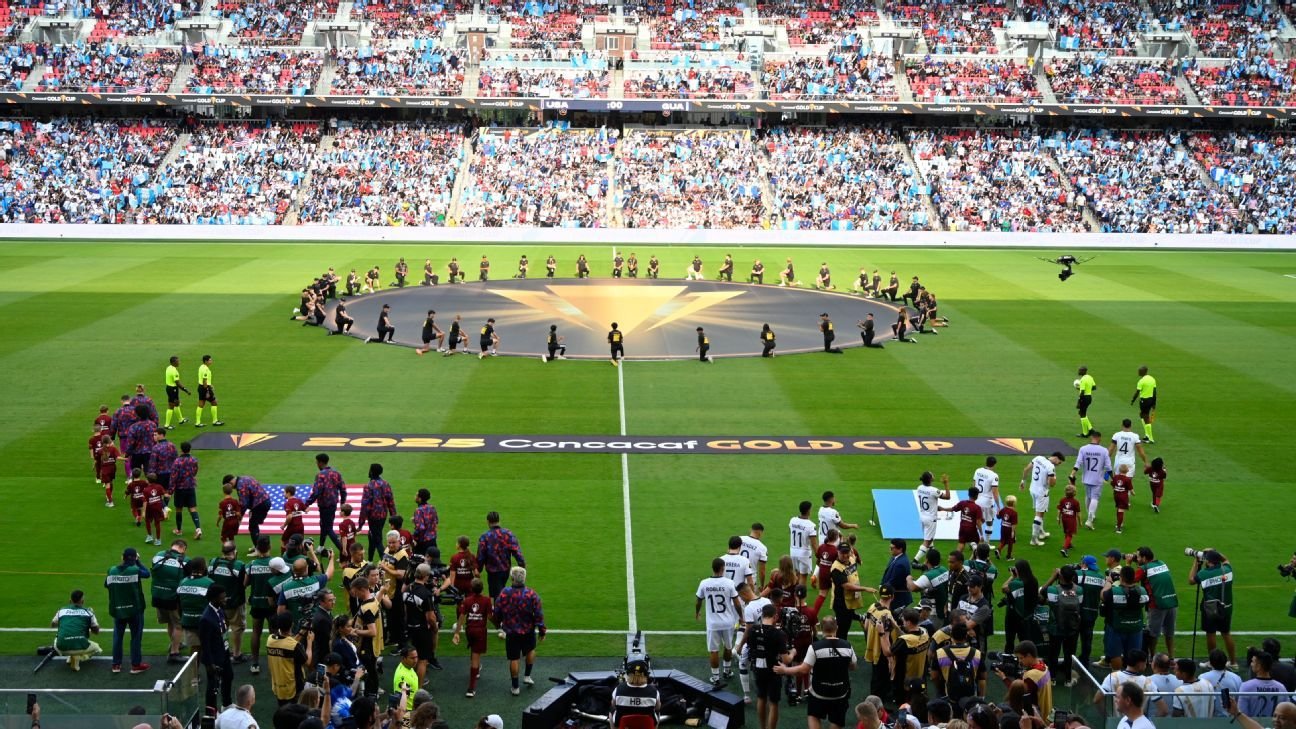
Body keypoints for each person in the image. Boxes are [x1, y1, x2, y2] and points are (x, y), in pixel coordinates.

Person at [775, 616, 856, 729]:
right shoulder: (847, 646)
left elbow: (803, 670)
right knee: (837, 721)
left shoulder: (815, 647)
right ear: (837, 628)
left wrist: (785, 670)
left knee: (814, 716)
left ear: (821, 629)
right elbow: (853, 666)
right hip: (840, 692)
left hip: (819, 692)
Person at [495, 566, 546, 696]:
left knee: (514, 658)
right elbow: (539, 614)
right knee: (530, 650)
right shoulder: (531, 594)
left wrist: (500, 623)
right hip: (528, 630)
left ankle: (515, 687)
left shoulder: (505, 593)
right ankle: (527, 676)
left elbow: (497, 611)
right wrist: (542, 630)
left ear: (512, 578)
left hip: (511, 631)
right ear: (524, 578)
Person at [746, 603, 793, 729]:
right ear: (775, 616)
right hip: (774, 670)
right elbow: (786, 660)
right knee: (773, 703)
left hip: (758, 669)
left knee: (761, 698)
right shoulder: (779, 634)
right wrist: (793, 653)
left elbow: (750, 647)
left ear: (762, 615)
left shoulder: (752, 630)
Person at [247, 544, 290, 676]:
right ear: (270, 547)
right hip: (272, 607)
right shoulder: (277, 567)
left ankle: (255, 663)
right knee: (275, 633)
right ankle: (276, 662)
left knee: (256, 632)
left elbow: (245, 583)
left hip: (257, 603)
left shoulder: (252, 565)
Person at [1189, 549, 1237, 668]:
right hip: (1226, 607)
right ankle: (1233, 662)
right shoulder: (1227, 569)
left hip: (1211, 608)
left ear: (1209, 561)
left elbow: (1191, 580)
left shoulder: (1204, 574)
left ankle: (1213, 662)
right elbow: (1225, 559)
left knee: (1211, 634)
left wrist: (1195, 562)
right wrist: (1214, 551)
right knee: (1226, 633)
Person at [1131, 547, 1178, 658]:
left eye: (1138, 556)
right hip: (1171, 602)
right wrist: (1138, 562)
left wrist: (1128, 563)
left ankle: (1152, 659)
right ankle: (1171, 658)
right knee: (1169, 634)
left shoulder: (1143, 569)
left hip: (1156, 605)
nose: (1136, 558)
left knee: (1152, 635)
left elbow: (1129, 580)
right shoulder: (1161, 563)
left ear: (1144, 558)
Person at [453, 577, 493, 698]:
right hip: (480, 631)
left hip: (469, 630)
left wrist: (457, 632)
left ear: (471, 588)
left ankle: (477, 671)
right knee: (475, 656)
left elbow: (461, 616)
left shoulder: (467, 600)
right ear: (482, 588)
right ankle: (471, 688)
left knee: (474, 650)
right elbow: (490, 616)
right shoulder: (486, 600)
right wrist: (499, 625)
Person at [1103, 566, 1149, 670]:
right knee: (1134, 655)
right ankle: (1132, 676)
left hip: (1117, 627)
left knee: (1115, 654)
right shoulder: (1142, 591)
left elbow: (1103, 595)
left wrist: (1108, 582)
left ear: (1121, 577)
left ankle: (1118, 675)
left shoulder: (1115, 591)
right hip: (1135, 627)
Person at [1043, 565, 1082, 686]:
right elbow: (1079, 604)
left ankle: (1052, 678)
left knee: (1053, 654)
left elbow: (1043, 592)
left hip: (1056, 627)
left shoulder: (1053, 589)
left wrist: (1053, 577)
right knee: (1069, 654)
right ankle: (1068, 679)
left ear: (1060, 576)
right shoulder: (1079, 590)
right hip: (1072, 627)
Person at [405, 563, 441, 686]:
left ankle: (408, 683)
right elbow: (430, 617)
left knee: (410, 658)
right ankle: (418, 689)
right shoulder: (425, 594)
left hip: (408, 628)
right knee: (422, 660)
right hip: (421, 629)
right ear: (426, 576)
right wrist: (435, 628)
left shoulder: (407, 589)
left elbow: (405, 610)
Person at [476, 511, 525, 601]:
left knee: (497, 596)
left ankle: (500, 608)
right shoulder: (508, 534)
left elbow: (481, 555)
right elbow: (516, 550)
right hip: (505, 569)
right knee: (500, 591)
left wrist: (478, 569)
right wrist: (521, 565)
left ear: (488, 521)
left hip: (493, 571)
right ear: (499, 520)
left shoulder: (485, 536)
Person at [201, 584, 234, 714]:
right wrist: (210, 664)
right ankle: (211, 713)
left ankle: (226, 704)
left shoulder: (219, 610)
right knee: (213, 686)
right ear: (214, 599)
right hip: (214, 658)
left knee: (228, 676)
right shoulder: (206, 618)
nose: (225, 599)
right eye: (222, 598)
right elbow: (205, 644)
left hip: (224, 652)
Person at [1020, 452, 1065, 547]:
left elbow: (1026, 469)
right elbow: (1051, 484)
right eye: (1059, 462)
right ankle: (1034, 539)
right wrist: (1054, 478)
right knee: (1039, 515)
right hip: (1042, 493)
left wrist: (1023, 481)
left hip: (1032, 489)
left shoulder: (1038, 457)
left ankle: (1041, 532)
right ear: (1056, 458)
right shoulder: (1050, 467)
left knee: (1039, 511)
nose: (1059, 464)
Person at [266, 613, 310, 707]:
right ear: (292, 624)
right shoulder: (294, 646)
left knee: (283, 710)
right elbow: (307, 662)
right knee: (296, 711)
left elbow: (285, 643)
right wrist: (309, 643)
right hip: (294, 686)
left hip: (278, 686)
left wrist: (301, 632)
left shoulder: (270, 640)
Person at [935, 621, 985, 702]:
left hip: (949, 697)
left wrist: (940, 688)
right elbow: (982, 678)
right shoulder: (977, 653)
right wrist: (982, 697)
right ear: (966, 636)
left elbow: (934, 676)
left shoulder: (940, 653)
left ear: (951, 635)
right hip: (970, 699)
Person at [1070, 430, 1110, 530]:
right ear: (1099, 438)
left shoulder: (1083, 449)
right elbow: (1108, 467)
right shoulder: (1104, 450)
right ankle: (1089, 519)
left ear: (1091, 437)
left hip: (1086, 478)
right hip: (1097, 478)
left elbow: (1078, 463)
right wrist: (1113, 478)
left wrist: (1072, 474)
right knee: (1095, 498)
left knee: (1088, 496)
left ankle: (1090, 515)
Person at [52, 589, 102, 671]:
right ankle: (79, 657)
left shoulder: (61, 611)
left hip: (61, 647)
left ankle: (72, 657)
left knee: (59, 638)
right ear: (83, 601)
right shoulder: (88, 612)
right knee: (97, 649)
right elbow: (96, 632)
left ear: (70, 601)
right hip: (81, 645)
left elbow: (53, 625)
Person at [358, 464, 396, 562]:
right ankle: (370, 561)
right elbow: (390, 501)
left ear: (371, 472)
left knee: (377, 540)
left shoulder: (368, 486)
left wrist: (361, 523)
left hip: (373, 517)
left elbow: (365, 506)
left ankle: (386, 562)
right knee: (372, 536)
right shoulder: (385, 484)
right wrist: (394, 517)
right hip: (383, 515)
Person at [1002, 561, 1040, 654]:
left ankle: (1009, 659)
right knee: (1025, 642)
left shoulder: (1016, 583)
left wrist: (1012, 577)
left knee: (1010, 641)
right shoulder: (1033, 580)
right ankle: (1026, 659)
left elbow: (1004, 588)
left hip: (1013, 616)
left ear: (1018, 570)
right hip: (1027, 616)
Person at [914, 471, 951, 565]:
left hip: (923, 516)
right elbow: (947, 497)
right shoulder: (934, 490)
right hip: (931, 518)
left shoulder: (919, 488)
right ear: (930, 479)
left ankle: (933, 556)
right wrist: (946, 483)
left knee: (929, 538)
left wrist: (935, 507)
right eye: (932, 475)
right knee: (927, 541)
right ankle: (915, 560)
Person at [612, 658, 661, 727]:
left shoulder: (618, 689)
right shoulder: (654, 691)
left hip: (624, 724)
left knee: (611, 711)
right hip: (647, 725)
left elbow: (613, 706)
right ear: (646, 675)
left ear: (628, 674)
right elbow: (657, 708)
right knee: (658, 712)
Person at [1239, 651, 1289, 717]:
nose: (1251, 664)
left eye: (1253, 662)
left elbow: (1242, 714)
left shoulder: (1246, 687)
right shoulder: (1281, 687)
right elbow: (1286, 711)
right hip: (1275, 723)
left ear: (1259, 666)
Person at [908, 549, 949, 625]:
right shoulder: (944, 570)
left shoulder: (929, 576)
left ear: (926, 560)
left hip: (933, 613)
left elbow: (912, 587)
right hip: (943, 609)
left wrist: (909, 579)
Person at [939, 489, 984, 554]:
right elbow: (978, 522)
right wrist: (981, 534)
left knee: (961, 544)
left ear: (968, 494)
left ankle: (955, 557)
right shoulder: (977, 508)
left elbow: (952, 509)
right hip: (972, 529)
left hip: (962, 528)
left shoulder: (962, 503)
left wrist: (942, 509)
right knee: (979, 545)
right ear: (977, 496)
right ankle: (976, 556)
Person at [789, 500, 820, 587]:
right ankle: (801, 595)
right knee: (803, 577)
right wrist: (818, 556)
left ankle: (794, 593)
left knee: (796, 574)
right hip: (804, 553)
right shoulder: (811, 525)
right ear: (808, 510)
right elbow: (814, 544)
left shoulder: (792, 520)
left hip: (793, 551)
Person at [880, 538, 913, 610]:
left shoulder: (900, 564)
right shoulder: (896, 557)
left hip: (898, 599)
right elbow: (886, 572)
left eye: (892, 548)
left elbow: (894, 581)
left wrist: (883, 589)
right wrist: (881, 584)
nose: (890, 549)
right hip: (894, 595)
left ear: (900, 549)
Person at [1128, 366, 1158, 443]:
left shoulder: (1141, 381)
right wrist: (1154, 403)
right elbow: (1154, 392)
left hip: (1144, 401)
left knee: (1146, 417)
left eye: (1139, 371)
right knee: (1142, 415)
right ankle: (1147, 435)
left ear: (1143, 372)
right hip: (1151, 399)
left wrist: (1133, 400)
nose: (1138, 372)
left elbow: (1137, 392)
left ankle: (1150, 438)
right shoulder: (1152, 379)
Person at [163, 356, 191, 431]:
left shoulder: (168, 367)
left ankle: (181, 419)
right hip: (172, 389)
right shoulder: (174, 371)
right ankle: (167, 425)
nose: (179, 362)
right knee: (171, 406)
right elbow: (178, 383)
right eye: (177, 361)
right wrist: (186, 390)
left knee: (177, 403)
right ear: (173, 362)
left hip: (170, 387)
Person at [194, 355, 223, 427]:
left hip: (200, 387)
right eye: (210, 360)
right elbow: (204, 380)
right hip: (205, 388)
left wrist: (210, 385)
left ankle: (197, 422)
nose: (211, 361)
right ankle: (215, 421)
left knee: (201, 404)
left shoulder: (201, 367)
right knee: (214, 402)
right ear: (206, 361)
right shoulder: (205, 369)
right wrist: (207, 391)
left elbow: (204, 380)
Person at [1110, 464, 1135, 534]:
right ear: (1127, 470)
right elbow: (1131, 489)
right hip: (1123, 497)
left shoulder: (1115, 477)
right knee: (1121, 510)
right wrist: (1133, 493)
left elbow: (1112, 484)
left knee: (1118, 509)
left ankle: (1119, 523)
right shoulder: (1127, 479)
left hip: (1116, 496)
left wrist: (1115, 489)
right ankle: (1118, 528)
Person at [1057, 485, 1081, 557]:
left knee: (1066, 532)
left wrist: (1058, 518)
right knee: (1070, 534)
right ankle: (1064, 549)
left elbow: (1059, 510)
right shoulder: (1076, 502)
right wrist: (1080, 522)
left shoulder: (1062, 500)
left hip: (1064, 519)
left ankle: (1069, 544)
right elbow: (1078, 514)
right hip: (1071, 520)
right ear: (1074, 493)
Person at [1074, 366, 1097, 437]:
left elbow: (1082, 392)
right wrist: (1087, 388)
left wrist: (1078, 402)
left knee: (1082, 414)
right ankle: (1091, 430)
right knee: (1082, 413)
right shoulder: (1090, 377)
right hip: (1089, 397)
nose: (1078, 371)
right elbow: (1094, 387)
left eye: (1080, 370)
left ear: (1083, 371)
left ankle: (1085, 433)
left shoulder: (1083, 379)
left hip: (1084, 398)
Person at [997, 495, 1018, 560]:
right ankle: (1008, 556)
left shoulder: (1003, 510)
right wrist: (1012, 531)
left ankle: (998, 549)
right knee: (1010, 542)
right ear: (1014, 503)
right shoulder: (1014, 513)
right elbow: (1014, 524)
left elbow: (998, 517)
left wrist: (997, 513)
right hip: (1009, 529)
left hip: (1003, 527)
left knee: (1003, 540)